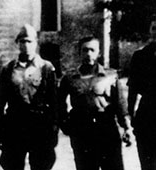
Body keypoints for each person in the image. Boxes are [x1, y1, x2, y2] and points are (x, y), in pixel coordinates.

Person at [58, 36, 132, 170]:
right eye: (85, 50)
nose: (88, 54)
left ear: (99, 53)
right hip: (82, 131)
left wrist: (127, 128)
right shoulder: (70, 78)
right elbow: (59, 104)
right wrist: (66, 125)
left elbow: (120, 105)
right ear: (79, 53)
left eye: (92, 50)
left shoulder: (111, 76)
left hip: (106, 128)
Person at [0, 24, 58, 170]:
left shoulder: (46, 68)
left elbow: (54, 101)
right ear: (17, 44)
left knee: (42, 164)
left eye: (29, 41)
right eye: (22, 42)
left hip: (39, 126)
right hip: (15, 125)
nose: (26, 45)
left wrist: (53, 129)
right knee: (12, 164)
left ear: (36, 43)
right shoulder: (9, 69)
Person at [127, 20, 156, 170]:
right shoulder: (140, 56)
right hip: (147, 115)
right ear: (150, 31)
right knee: (148, 163)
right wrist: (132, 116)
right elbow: (132, 89)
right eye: (154, 28)